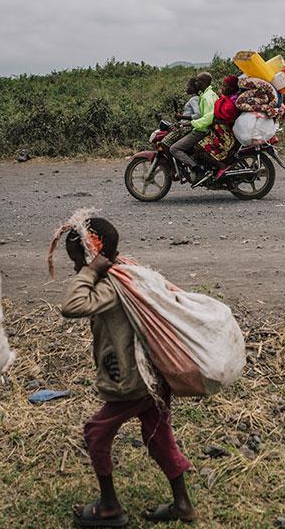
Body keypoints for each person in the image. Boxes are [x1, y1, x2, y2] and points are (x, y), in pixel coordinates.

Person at [60, 218, 195, 527]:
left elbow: (72, 305)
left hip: (132, 381)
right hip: (153, 377)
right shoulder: (127, 269)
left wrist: (89, 272)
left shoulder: (110, 284)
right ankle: (182, 504)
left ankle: (109, 507)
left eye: (77, 261)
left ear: (93, 254)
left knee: (96, 432)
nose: (75, 268)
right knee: (159, 437)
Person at [170, 72, 217, 180]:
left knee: (174, 148)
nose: (196, 83)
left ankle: (197, 169)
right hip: (201, 127)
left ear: (203, 82)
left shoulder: (206, 97)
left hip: (201, 129)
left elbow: (208, 117)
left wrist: (191, 123)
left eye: (198, 81)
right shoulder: (208, 94)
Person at [195, 75, 240, 183]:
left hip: (225, 135)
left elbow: (227, 117)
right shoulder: (228, 97)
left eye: (225, 86)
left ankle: (222, 166)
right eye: (223, 85)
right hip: (218, 131)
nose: (222, 87)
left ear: (232, 88)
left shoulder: (232, 101)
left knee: (199, 147)